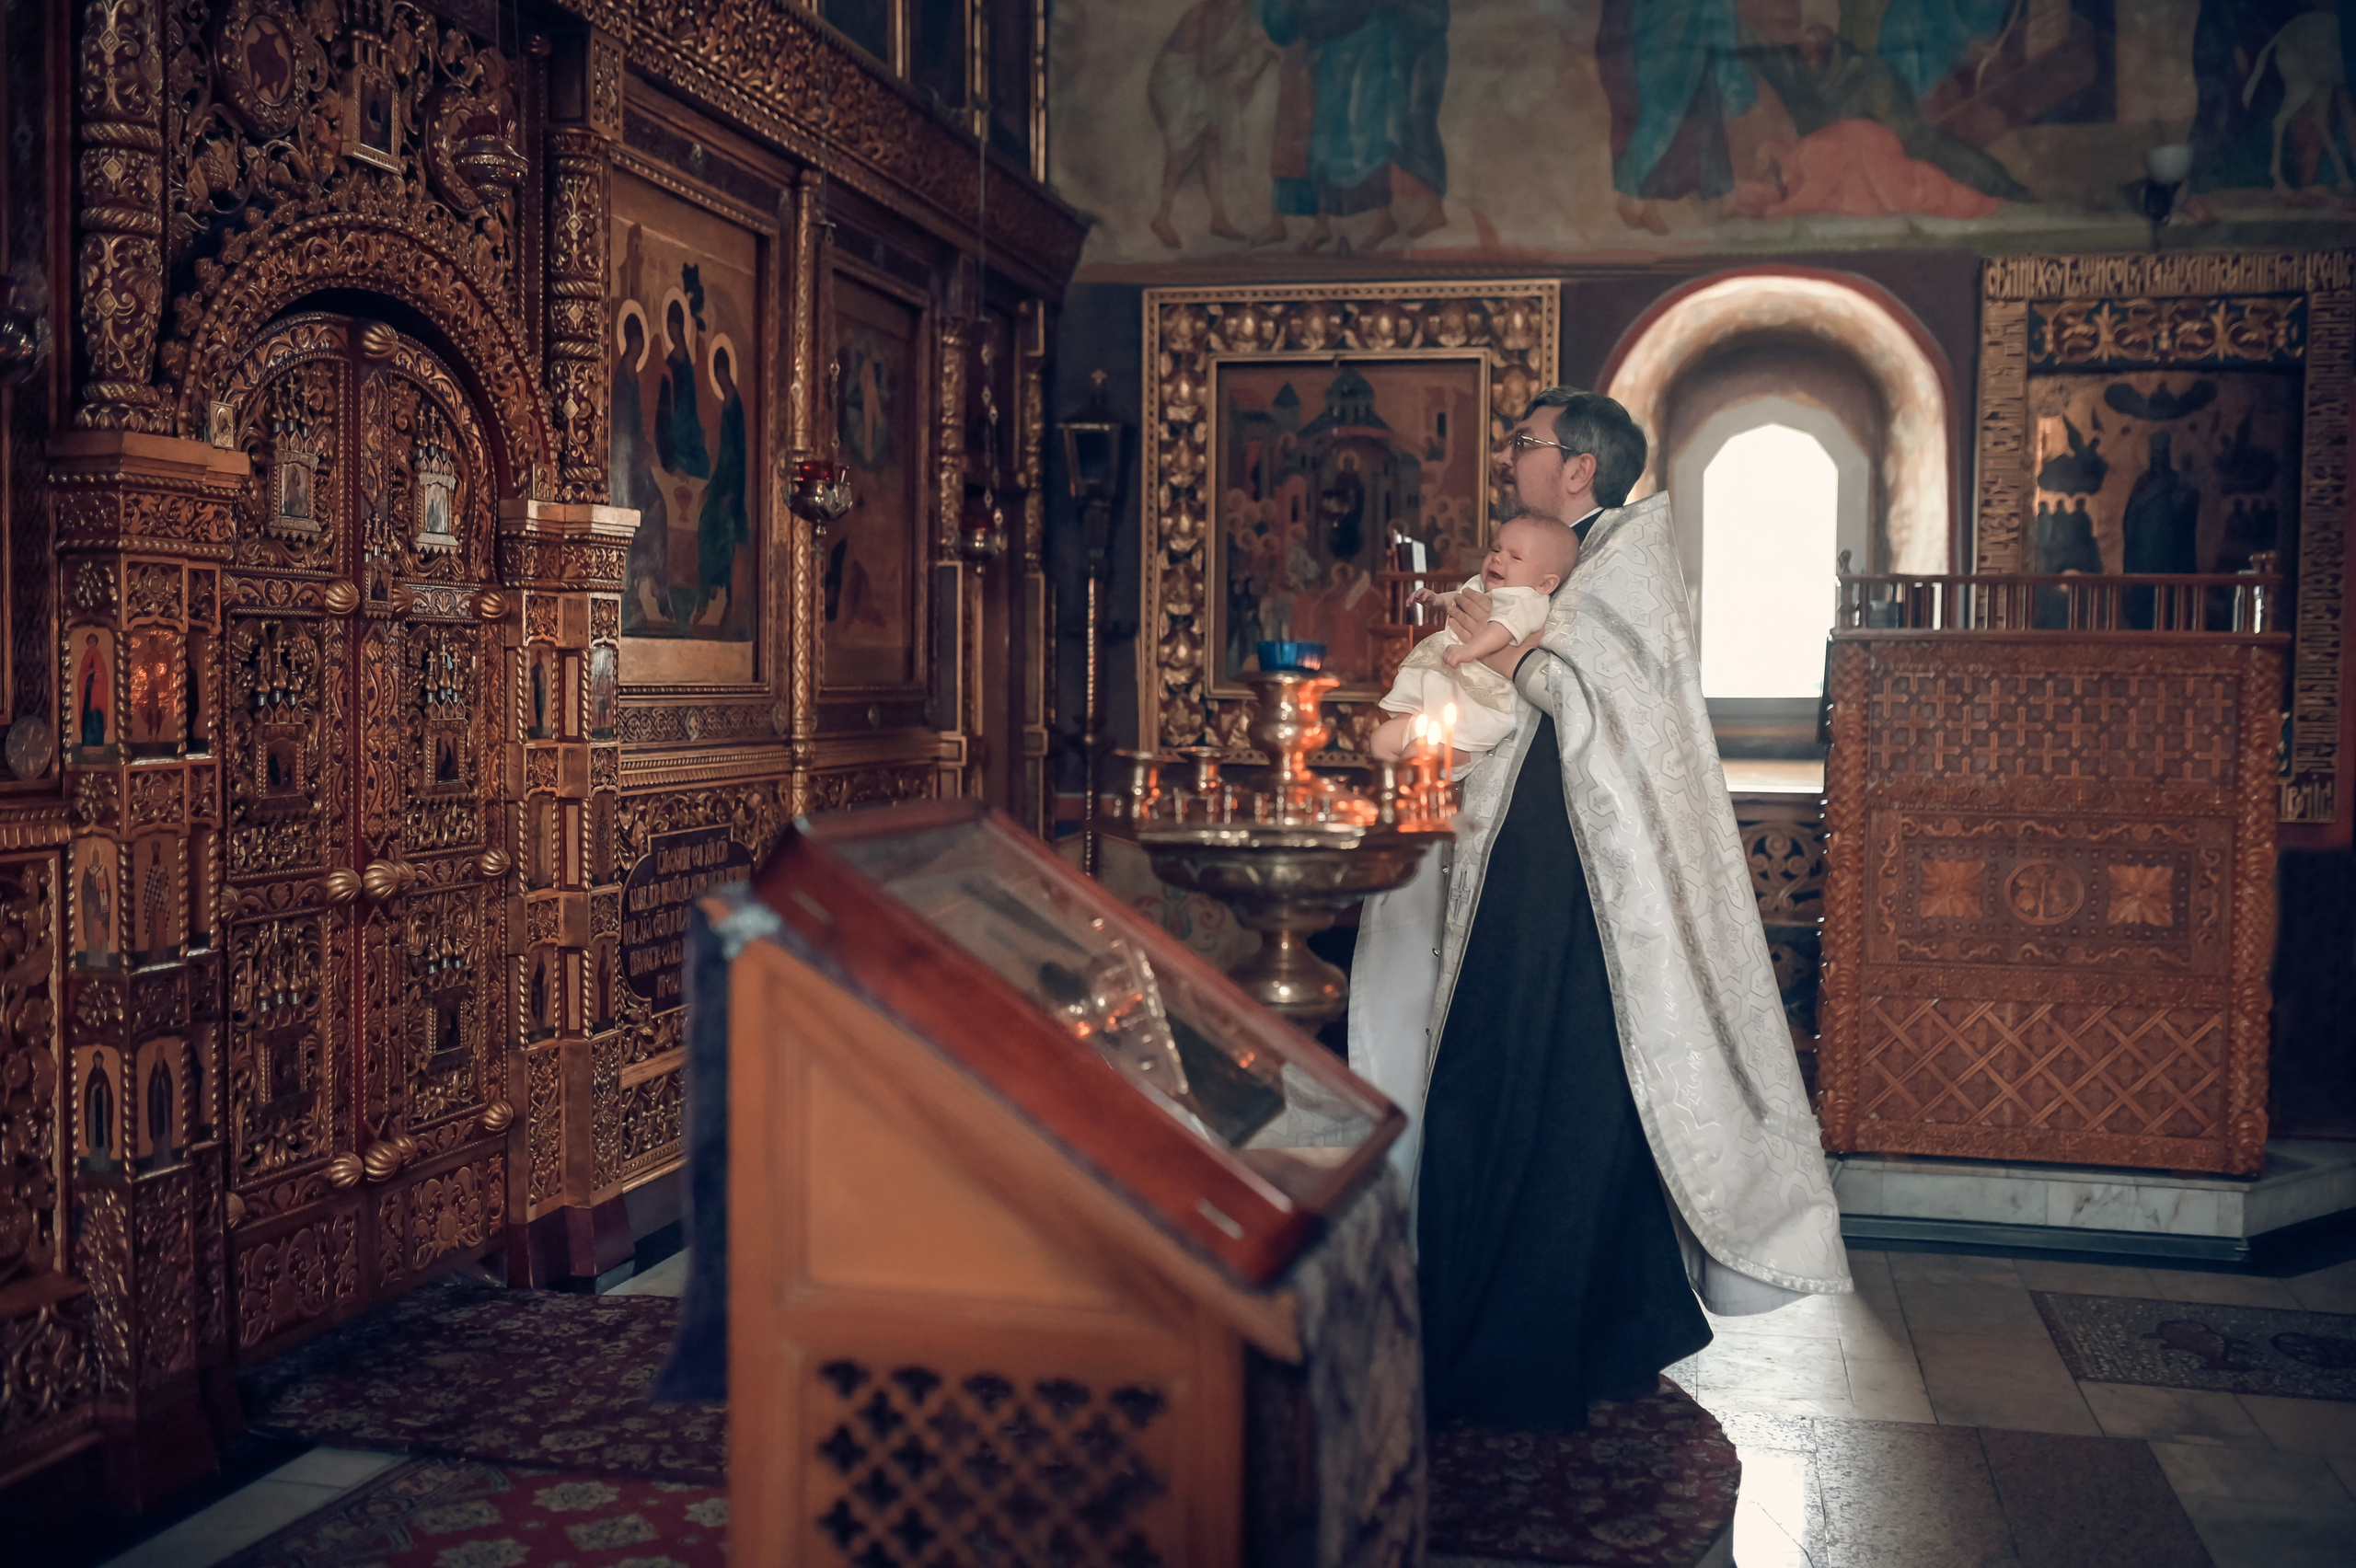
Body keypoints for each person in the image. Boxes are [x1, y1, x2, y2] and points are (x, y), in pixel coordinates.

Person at [1347, 387, 1849, 1431]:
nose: (1508, 460)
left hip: (1575, 875)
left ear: (1579, 466)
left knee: (1534, 1079)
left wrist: (1505, 654)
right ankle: (1586, 1330)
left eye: (1524, 444)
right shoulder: (1554, 555)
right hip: (1535, 855)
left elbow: (1593, 698)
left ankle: (1515, 1348)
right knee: (1531, 1077)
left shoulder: (1622, 561)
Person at [1368, 516, 1577, 762]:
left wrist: (1471, 650)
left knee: (1418, 754)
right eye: (1496, 549)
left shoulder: (1526, 600)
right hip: (1443, 688)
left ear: (1545, 583)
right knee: (1380, 741)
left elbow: (1501, 629)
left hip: (1472, 705)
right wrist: (1438, 600)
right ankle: (1406, 783)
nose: (1498, 558)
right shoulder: (1484, 585)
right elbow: (1462, 597)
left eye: (1515, 557)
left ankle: (1451, 766)